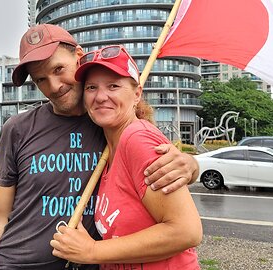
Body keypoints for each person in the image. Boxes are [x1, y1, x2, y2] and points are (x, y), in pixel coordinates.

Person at [0, 24, 199, 270]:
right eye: (40, 80)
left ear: (78, 57)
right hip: (14, 263)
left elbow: (147, 148)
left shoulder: (109, 124)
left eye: (59, 69)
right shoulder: (18, 128)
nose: (54, 86)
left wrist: (192, 165)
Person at [50, 45, 202, 269]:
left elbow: (187, 231)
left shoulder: (136, 138)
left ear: (137, 94)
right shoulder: (108, 148)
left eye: (113, 86)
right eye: (92, 87)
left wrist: (92, 251)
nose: (101, 96)